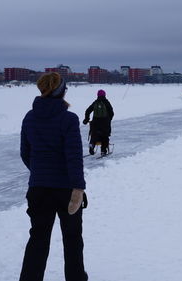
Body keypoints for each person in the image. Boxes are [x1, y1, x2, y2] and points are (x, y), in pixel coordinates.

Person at [20, 72, 88, 281]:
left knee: (38, 238)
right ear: (61, 91)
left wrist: (40, 173)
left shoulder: (29, 117)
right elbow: (74, 157)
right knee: (72, 237)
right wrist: (78, 188)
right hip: (66, 190)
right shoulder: (69, 118)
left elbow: (25, 153)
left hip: (38, 189)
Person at [83, 90, 114, 156]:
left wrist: (86, 119)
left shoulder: (95, 103)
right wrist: (109, 119)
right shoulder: (106, 102)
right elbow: (112, 113)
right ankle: (103, 151)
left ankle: (92, 144)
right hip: (105, 124)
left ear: (97, 95)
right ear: (104, 95)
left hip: (95, 123)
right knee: (105, 136)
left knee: (94, 135)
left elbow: (88, 111)